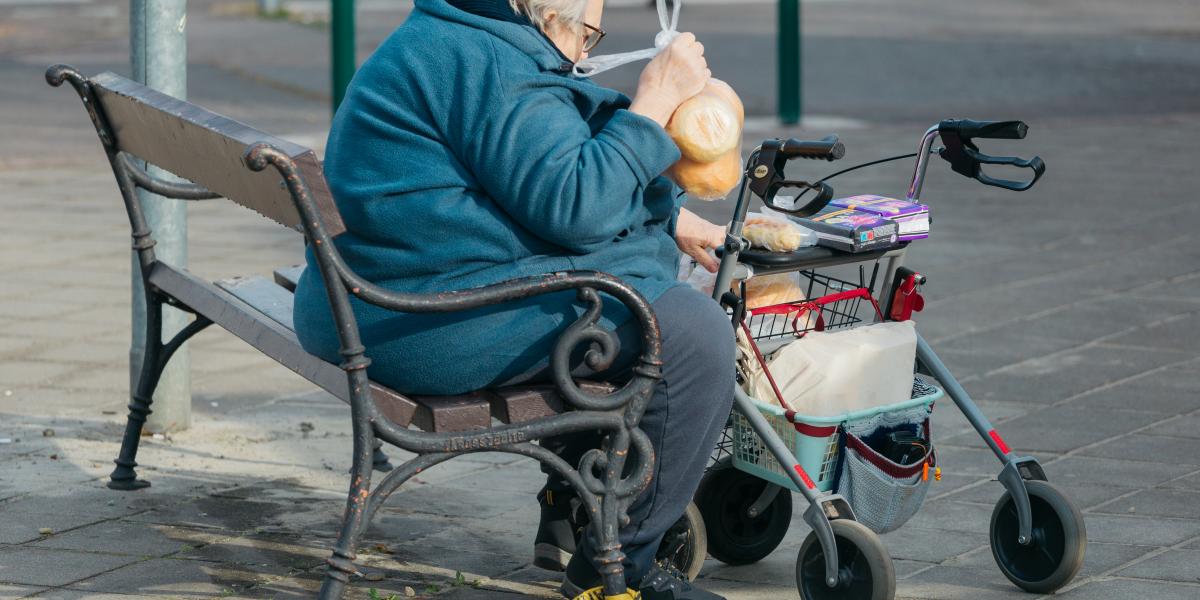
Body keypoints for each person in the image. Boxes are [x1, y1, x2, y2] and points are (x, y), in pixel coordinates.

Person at [292, 0, 736, 597]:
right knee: (689, 333)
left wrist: (667, 218)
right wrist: (653, 101)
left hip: (371, 299)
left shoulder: (455, 33)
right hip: (413, 323)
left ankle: (569, 504)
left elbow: (525, 173)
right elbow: (577, 207)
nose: (585, 52)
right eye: (587, 32)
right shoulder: (492, 62)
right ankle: (616, 573)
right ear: (550, 6)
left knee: (621, 294)